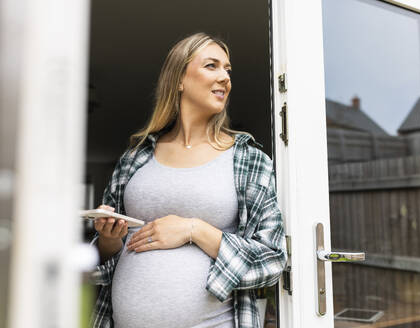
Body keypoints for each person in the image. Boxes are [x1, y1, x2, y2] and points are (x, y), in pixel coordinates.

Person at [89, 32, 287, 328]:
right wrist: (108, 238)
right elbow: (105, 260)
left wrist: (193, 229)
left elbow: (271, 258)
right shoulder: (135, 158)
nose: (225, 77)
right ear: (179, 79)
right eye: (212, 66)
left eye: (228, 69)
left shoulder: (248, 160)